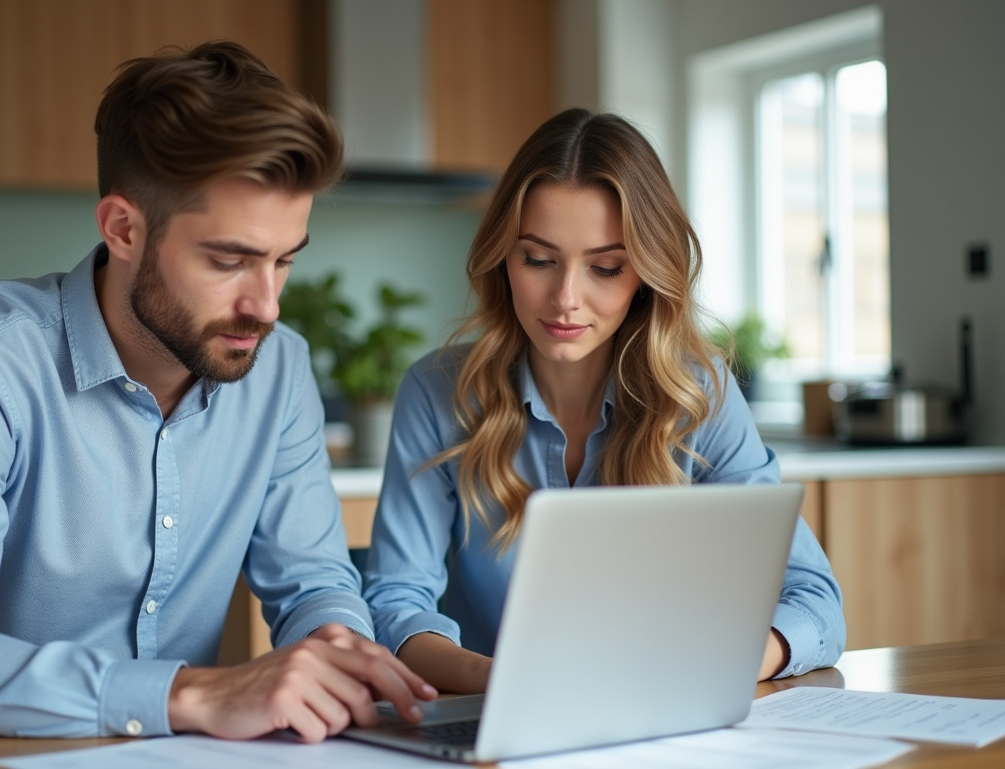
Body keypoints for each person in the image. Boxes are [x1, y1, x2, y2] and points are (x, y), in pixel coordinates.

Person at [0, 41, 434, 742]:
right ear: (123, 229)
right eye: (229, 260)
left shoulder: (277, 369)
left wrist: (340, 650)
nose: (267, 305)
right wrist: (191, 694)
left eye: (284, 261)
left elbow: (312, 582)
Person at [362, 108, 845, 694]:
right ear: (502, 259)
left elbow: (813, 602)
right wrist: (499, 680)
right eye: (538, 259)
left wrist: (725, 663)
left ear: (645, 274)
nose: (566, 298)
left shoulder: (700, 394)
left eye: (606, 267)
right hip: (488, 724)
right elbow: (393, 601)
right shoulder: (437, 393)